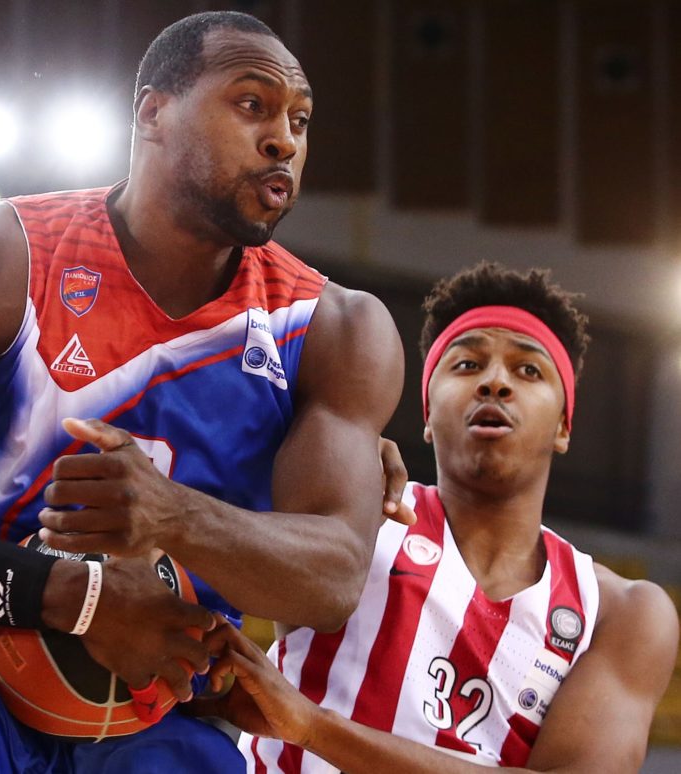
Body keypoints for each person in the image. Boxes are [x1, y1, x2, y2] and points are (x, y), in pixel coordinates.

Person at [0, 11, 412, 774]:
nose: (284, 141)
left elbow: (332, 578)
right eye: (252, 105)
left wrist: (173, 515)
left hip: (159, 695)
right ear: (153, 112)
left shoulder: (336, 328)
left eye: (299, 121)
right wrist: (75, 596)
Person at [196, 263, 680, 773]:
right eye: (468, 364)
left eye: (528, 370)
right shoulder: (356, 511)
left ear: (564, 425)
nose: (495, 382)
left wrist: (312, 727)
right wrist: (336, 455)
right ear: (427, 411)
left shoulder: (619, 612)